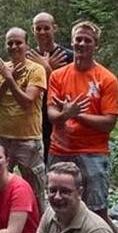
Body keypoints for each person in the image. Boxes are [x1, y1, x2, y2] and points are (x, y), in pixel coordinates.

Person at [46, 20, 118, 233]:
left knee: (98, 210)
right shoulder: (58, 75)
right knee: (58, 207)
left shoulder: (106, 79)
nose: (81, 44)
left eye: (87, 40)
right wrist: (65, 113)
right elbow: (52, 115)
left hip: (93, 153)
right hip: (60, 150)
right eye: (78, 39)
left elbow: (109, 123)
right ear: (72, 41)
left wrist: (76, 115)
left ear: (96, 45)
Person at [0, 27, 48, 210]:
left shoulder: (36, 69)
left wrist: (9, 79)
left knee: (36, 190)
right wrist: (7, 78)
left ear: (26, 44)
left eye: (18, 42)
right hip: (3, 137)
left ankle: (39, 231)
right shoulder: (1, 70)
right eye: (10, 43)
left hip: (28, 139)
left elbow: (27, 102)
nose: (14, 46)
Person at [28, 12, 74, 154]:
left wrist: (46, 69)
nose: (42, 32)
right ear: (33, 30)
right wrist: (47, 68)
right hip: (35, 117)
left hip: (61, 115)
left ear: (55, 28)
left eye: (46, 28)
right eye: (38, 28)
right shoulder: (28, 57)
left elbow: (72, 86)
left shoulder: (68, 56)